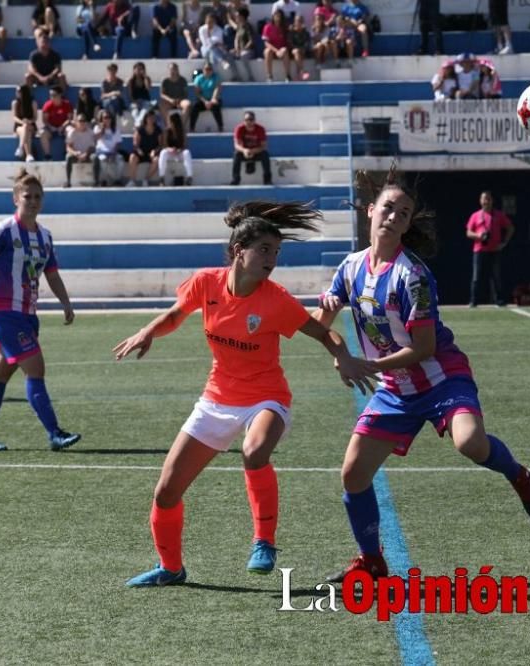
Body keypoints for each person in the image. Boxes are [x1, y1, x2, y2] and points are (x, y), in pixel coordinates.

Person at [116, 201, 378, 586]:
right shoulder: (206, 283)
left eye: (277, 252)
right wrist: (147, 332)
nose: (272, 259)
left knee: (254, 451)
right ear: (240, 252)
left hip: (266, 399)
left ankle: (264, 542)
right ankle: (170, 568)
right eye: (265, 250)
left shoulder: (275, 299)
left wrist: (343, 356)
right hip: (216, 398)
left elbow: (323, 332)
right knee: (166, 492)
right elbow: (176, 313)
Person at [314, 167, 530, 581]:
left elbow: (422, 348)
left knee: (470, 443)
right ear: (370, 211)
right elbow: (323, 321)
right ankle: (372, 561)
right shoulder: (349, 269)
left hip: (441, 378)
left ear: (407, 226)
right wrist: (337, 342)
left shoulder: (414, 277)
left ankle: (517, 474)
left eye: (403, 214)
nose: (393, 216)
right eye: (388, 207)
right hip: (395, 389)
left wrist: (364, 364)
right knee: (353, 475)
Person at [0, 170, 81, 452]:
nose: (32, 201)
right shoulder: (4, 230)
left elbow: (52, 275)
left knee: (0, 374)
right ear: (15, 199)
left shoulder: (45, 236)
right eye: (27, 196)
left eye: (37, 197)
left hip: (28, 314)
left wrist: (66, 303)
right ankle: (55, 433)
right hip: (3, 311)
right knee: (36, 367)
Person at [466, 190, 514, 308]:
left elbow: (510, 228)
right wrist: (479, 236)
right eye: (484, 199)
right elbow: (468, 232)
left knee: (496, 276)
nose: (486, 201)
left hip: (494, 251)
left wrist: (504, 243)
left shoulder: (499, 215)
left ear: (492, 201)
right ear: (480, 201)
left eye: (488, 198)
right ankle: (473, 301)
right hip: (479, 250)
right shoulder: (475, 216)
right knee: (476, 277)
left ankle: (499, 300)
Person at [231, 111, 272, 186]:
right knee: (236, 154)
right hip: (244, 152)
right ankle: (235, 179)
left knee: (265, 154)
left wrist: (253, 151)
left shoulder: (260, 129)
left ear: (254, 120)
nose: (249, 122)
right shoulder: (239, 128)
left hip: (256, 151)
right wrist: (244, 150)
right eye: (246, 120)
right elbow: (236, 145)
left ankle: (267, 180)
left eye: (251, 119)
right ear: (244, 121)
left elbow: (263, 146)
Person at [126, 109, 162, 186]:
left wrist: (155, 151)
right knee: (132, 157)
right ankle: (132, 181)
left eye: (153, 117)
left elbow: (160, 145)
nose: (151, 119)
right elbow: (135, 144)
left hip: (151, 153)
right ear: (145, 118)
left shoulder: (158, 130)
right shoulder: (140, 129)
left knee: (157, 160)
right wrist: (138, 150)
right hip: (141, 152)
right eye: (149, 117)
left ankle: (145, 179)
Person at [158, 113, 194, 186]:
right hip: (170, 153)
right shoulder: (167, 131)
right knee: (163, 153)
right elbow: (164, 145)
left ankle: (189, 177)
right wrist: (170, 149)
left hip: (180, 152)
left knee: (187, 153)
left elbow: (185, 145)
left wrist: (179, 150)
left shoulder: (182, 131)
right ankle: (161, 178)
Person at [41, 85, 73, 161]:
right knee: (42, 133)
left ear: (60, 95)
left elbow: (70, 119)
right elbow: (44, 120)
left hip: (63, 127)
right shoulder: (47, 105)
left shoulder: (67, 104)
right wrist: (51, 127)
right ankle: (47, 155)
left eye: (54, 95)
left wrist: (62, 127)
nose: (52, 97)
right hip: (51, 128)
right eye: (50, 95)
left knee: (70, 131)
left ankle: (68, 152)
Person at [65, 113, 96, 187]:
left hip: (87, 155)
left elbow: (92, 147)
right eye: (80, 121)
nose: (82, 123)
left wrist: (86, 154)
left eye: (84, 121)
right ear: (76, 122)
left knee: (95, 158)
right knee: (68, 157)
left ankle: (96, 181)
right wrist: (75, 153)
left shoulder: (90, 132)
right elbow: (68, 147)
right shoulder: (72, 132)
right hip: (76, 155)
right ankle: (68, 181)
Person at [158, 62, 192, 132]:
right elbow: (162, 94)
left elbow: (185, 94)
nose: (173, 71)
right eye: (171, 69)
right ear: (169, 70)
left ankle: (181, 126)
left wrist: (179, 101)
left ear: (177, 70)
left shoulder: (183, 80)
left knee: (188, 104)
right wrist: (170, 100)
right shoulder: (165, 81)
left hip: (180, 100)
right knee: (161, 105)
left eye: (175, 69)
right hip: (169, 101)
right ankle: (169, 126)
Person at [191, 62, 223, 132]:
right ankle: (192, 128)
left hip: (213, 99)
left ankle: (220, 127)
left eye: (210, 69)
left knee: (216, 106)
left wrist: (213, 99)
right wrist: (205, 101)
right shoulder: (198, 78)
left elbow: (217, 88)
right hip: (203, 100)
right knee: (195, 107)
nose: (208, 71)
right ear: (203, 70)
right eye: (206, 69)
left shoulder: (216, 77)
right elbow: (197, 93)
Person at [262, 10, 292, 82]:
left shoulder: (285, 27)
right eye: (276, 15)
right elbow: (266, 43)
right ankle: (269, 76)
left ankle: (288, 76)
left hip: (282, 50)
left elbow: (288, 42)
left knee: (284, 50)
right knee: (267, 52)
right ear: (273, 16)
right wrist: (276, 51)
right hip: (272, 50)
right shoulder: (267, 27)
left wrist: (281, 50)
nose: (278, 18)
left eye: (280, 16)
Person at [12, 84, 39, 162]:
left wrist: (29, 121)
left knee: (26, 129)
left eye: (19, 91)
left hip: (31, 125)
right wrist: (23, 122)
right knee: (26, 131)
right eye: (16, 91)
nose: (17, 93)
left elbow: (35, 117)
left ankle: (20, 148)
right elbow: (14, 117)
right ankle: (28, 154)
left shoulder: (32, 102)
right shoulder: (15, 103)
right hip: (19, 126)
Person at [126, 61, 153, 126]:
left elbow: (148, 89)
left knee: (145, 110)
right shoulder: (130, 80)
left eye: (141, 69)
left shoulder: (147, 79)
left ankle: (138, 123)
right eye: (137, 69)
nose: (139, 71)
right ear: (134, 70)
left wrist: (145, 77)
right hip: (134, 101)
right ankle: (139, 122)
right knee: (135, 111)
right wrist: (134, 102)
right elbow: (130, 94)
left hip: (145, 101)